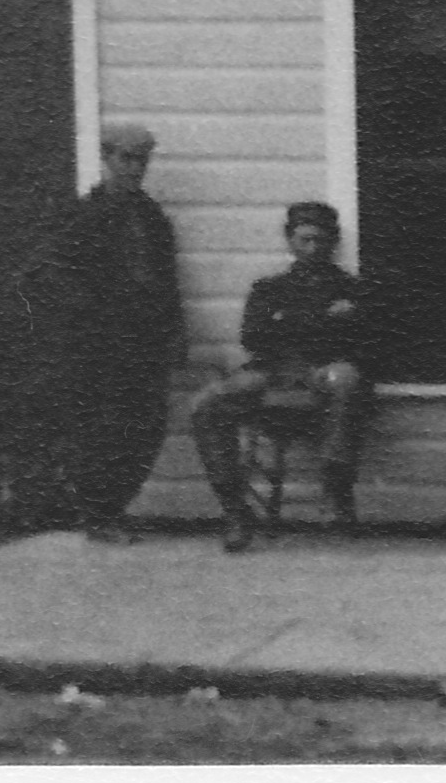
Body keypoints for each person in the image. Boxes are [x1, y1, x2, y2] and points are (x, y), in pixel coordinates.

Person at [23, 121, 184, 541]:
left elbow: (166, 281)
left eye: (143, 160)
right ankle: (99, 514)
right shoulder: (82, 216)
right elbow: (46, 273)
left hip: (145, 341)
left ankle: (115, 507)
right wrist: (90, 313)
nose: (136, 168)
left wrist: (175, 333)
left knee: (146, 425)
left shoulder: (152, 218)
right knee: (102, 428)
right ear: (107, 158)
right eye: (127, 158)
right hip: (99, 345)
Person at [188, 199, 375, 551]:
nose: (313, 248)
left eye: (320, 240)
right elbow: (253, 338)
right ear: (289, 240)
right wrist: (323, 320)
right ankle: (234, 508)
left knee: (346, 380)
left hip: (325, 374)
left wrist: (287, 320)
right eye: (304, 239)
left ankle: (335, 494)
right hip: (271, 373)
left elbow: (364, 346)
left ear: (333, 242)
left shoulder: (354, 289)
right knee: (206, 403)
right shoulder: (268, 288)